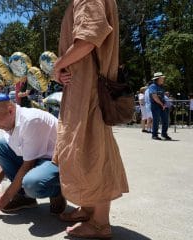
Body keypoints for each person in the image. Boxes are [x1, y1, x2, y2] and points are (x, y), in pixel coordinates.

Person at [53, 1, 129, 238]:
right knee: (84, 152)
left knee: (93, 151)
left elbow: (89, 38)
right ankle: (88, 208)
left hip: (90, 91)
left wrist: (59, 65)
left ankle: (100, 223)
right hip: (82, 90)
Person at [0, 93, 65, 215]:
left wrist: (4, 198)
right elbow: (3, 163)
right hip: (36, 159)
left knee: (31, 183)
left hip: (54, 161)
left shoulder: (30, 121)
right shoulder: (12, 121)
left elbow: (27, 166)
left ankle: (57, 191)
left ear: (10, 110)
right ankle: (24, 198)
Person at [149, 72, 171, 140]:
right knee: (156, 120)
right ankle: (154, 135)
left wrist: (164, 104)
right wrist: (162, 104)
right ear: (158, 79)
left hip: (162, 105)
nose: (163, 79)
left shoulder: (161, 87)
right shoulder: (153, 86)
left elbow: (162, 96)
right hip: (155, 105)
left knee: (165, 120)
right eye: (162, 78)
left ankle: (164, 134)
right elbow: (154, 97)